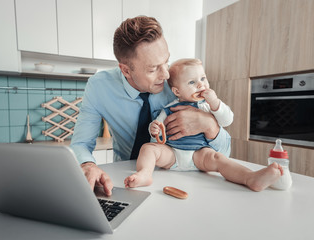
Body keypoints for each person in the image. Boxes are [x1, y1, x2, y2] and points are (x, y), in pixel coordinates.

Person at [70, 16, 231, 196]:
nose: (165, 75)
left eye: (166, 62)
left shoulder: (180, 83)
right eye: (153, 69)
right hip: (126, 178)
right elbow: (81, 143)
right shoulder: (99, 87)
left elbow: (225, 152)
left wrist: (209, 125)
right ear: (126, 70)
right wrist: (88, 164)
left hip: (184, 177)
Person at [124, 58, 283, 192]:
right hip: (172, 154)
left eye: (203, 78)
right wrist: (154, 129)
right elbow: (157, 127)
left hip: (199, 155)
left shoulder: (208, 106)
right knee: (148, 148)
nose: (201, 85)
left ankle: (250, 178)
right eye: (192, 82)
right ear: (177, 91)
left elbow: (227, 120)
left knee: (218, 158)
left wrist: (215, 102)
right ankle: (145, 174)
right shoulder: (169, 107)